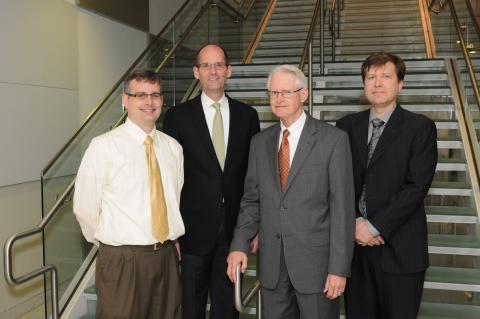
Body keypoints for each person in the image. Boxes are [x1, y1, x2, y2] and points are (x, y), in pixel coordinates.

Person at [227, 64, 355, 319]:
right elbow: (252, 200)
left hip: (317, 269)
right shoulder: (260, 142)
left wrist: (339, 269)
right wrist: (239, 244)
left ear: (304, 94)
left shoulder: (333, 140)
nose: (279, 98)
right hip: (272, 268)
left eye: (286, 92)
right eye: (273, 93)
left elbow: (342, 210)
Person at [73, 70, 184, 318]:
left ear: (162, 100)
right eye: (140, 95)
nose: (149, 102)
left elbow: (173, 199)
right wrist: (113, 246)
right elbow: (85, 209)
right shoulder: (103, 147)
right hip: (123, 260)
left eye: (155, 94)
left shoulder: (173, 148)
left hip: (166, 258)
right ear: (125, 100)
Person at [336, 52, 438, 319]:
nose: (377, 83)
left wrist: (373, 226)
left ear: (400, 84)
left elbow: (416, 187)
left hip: (401, 250)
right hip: (356, 250)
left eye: (386, 76)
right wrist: (356, 223)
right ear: (364, 84)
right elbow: (338, 182)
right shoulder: (345, 127)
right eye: (371, 77)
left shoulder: (420, 128)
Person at [162, 44, 260, 319]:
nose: (213, 71)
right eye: (206, 65)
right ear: (196, 72)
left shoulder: (248, 116)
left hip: (235, 232)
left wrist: (254, 228)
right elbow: (170, 179)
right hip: (191, 233)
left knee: (228, 308)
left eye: (219, 65)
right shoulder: (177, 117)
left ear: (229, 71)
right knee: (191, 308)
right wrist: (173, 232)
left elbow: (254, 178)